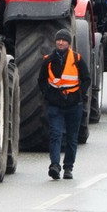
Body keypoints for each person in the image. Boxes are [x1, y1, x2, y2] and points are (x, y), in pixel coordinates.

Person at [38, 28, 90, 180]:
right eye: (58, 40)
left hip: (74, 105)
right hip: (56, 105)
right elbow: (41, 80)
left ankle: (68, 168)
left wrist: (79, 95)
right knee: (55, 135)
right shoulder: (48, 60)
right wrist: (48, 96)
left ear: (68, 43)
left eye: (64, 40)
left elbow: (86, 79)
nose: (60, 42)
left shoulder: (77, 59)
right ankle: (55, 165)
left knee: (72, 138)